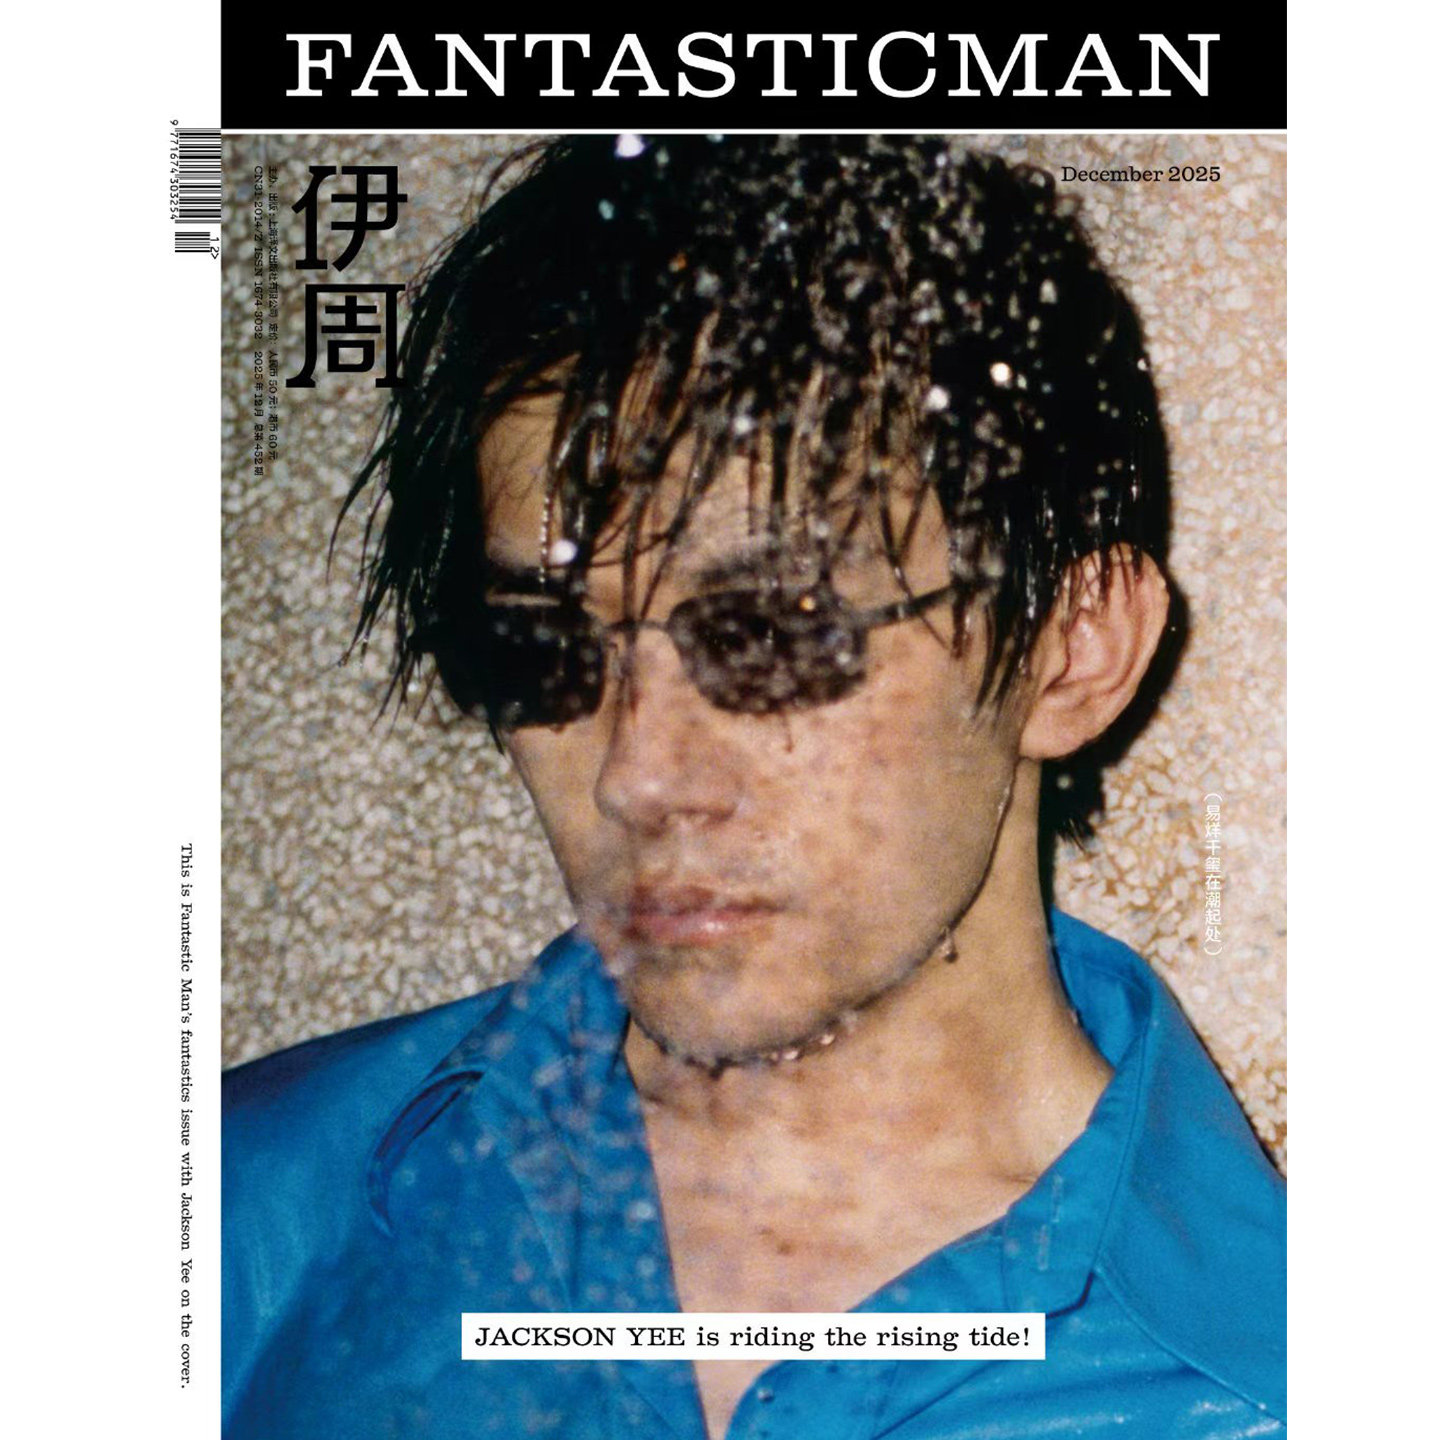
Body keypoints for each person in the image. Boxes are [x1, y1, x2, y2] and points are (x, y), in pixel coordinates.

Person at [223, 135, 1284, 1439]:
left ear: (1073, 648)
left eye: (775, 636)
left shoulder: (1295, 1373)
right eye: (545, 648)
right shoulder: (233, 1228)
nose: (639, 775)